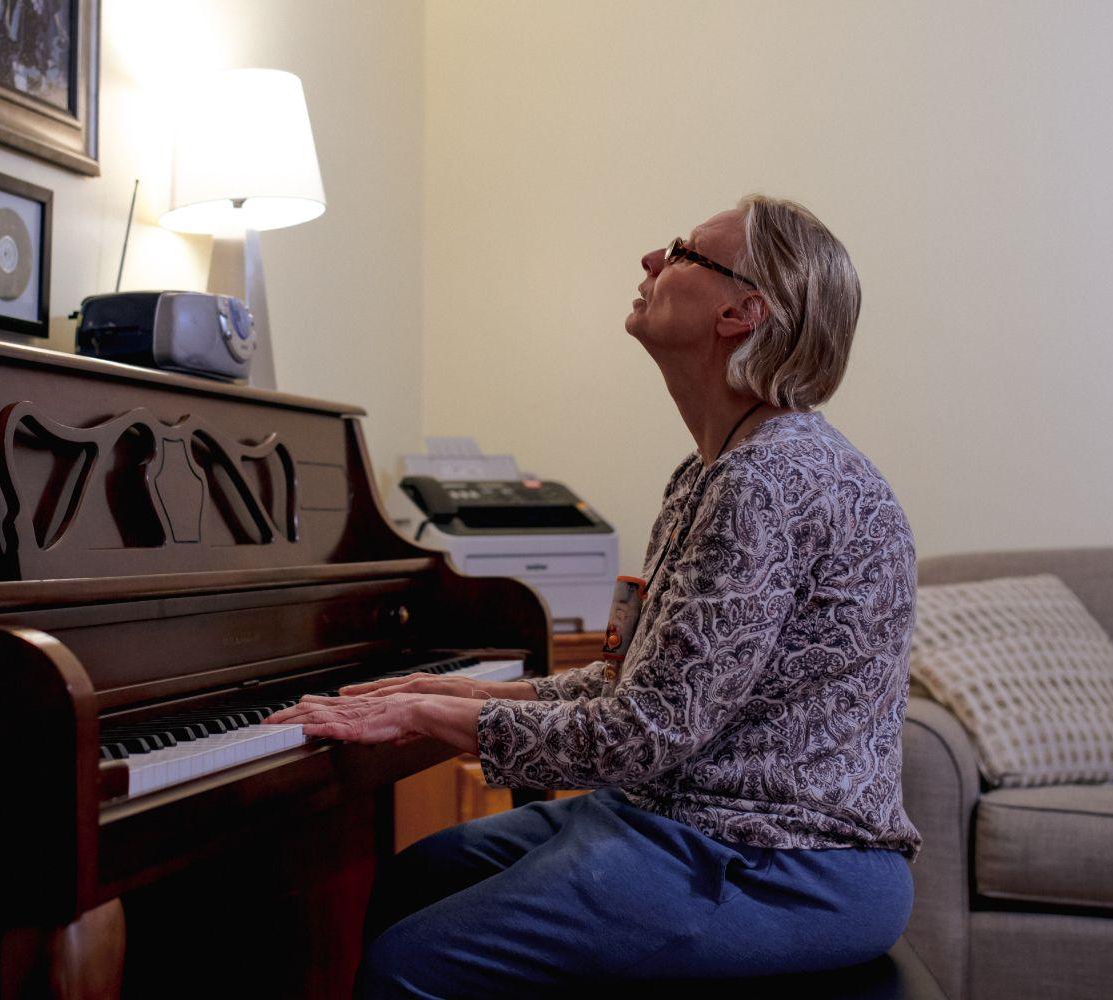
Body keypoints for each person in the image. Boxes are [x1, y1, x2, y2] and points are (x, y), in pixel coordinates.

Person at [266, 194, 921, 997]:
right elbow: (639, 686)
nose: (652, 260)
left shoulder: (768, 481)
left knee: (412, 969)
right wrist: (454, 689)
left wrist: (434, 717)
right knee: (422, 875)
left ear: (742, 312)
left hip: (779, 860)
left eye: (683, 251)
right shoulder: (711, 472)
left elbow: (644, 732)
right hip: (684, 820)